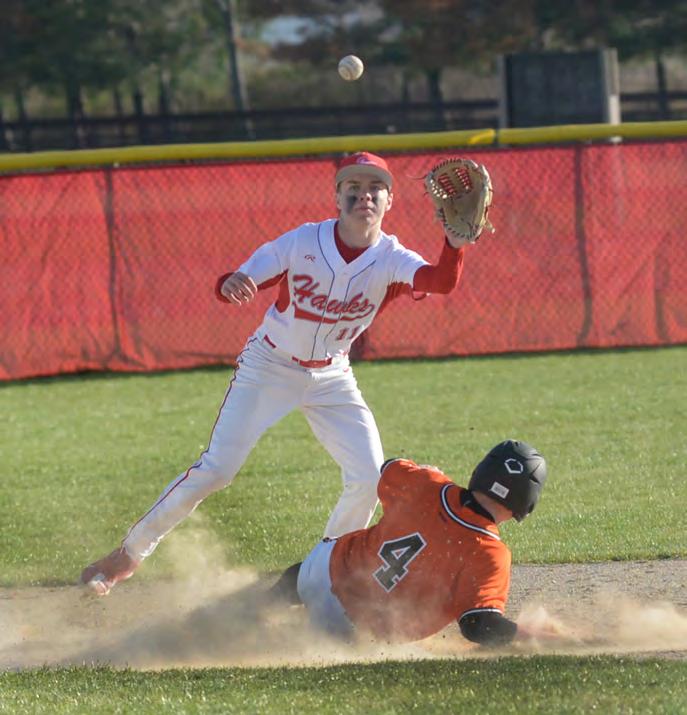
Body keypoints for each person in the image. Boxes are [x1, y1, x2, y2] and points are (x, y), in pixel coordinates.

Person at [81, 151, 474, 596]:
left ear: (390, 201)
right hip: (269, 365)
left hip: (332, 376)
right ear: (337, 197)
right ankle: (127, 555)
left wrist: (454, 245)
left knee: (369, 478)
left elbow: (440, 281)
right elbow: (240, 278)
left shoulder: (391, 258)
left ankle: (327, 573)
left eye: (375, 188)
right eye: (353, 187)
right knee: (217, 469)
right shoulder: (303, 241)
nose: (364, 195)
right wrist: (231, 283)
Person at [270, 440, 561, 646]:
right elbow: (479, 626)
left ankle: (261, 604)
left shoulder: (429, 485)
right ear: (526, 502)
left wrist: (425, 473)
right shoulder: (490, 554)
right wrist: (534, 636)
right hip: (354, 632)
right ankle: (287, 637)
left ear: (481, 472)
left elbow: (389, 467)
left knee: (322, 563)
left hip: (317, 573)